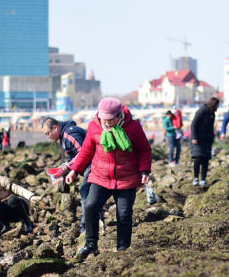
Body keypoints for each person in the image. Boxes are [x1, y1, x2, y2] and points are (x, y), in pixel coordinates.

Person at [65, 98, 152, 259]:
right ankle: (90, 244)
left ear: (119, 115)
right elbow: (85, 151)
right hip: (100, 177)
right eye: (104, 119)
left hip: (126, 179)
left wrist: (145, 171)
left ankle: (123, 248)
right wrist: (73, 171)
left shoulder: (133, 127)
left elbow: (145, 150)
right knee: (90, 206)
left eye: (111, 119)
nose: (107, 123)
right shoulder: (94, 126)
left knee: (124, 214)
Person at [42, 116, 103, 234]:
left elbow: (84, 153)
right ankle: (97, 222)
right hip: (90, 165)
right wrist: (67, 169)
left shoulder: (70, 134)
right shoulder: (63, 137)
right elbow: (72, 156)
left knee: (86, 194)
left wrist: (68, 167)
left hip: (94, 163)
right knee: (93, 195)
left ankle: (86, 226)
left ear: (55, 128)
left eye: (48, 133)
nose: (48, 137)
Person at [191, 97, 220, 187]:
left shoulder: (212, 113)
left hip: (207, 140)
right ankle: (196, 178)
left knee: (206, 160)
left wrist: (212, 138)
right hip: (199, 139)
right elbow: (194, 123)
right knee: (198, 158)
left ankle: (203, 179)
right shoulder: (202, 110)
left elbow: (211, 127)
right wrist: (194, 137)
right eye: (217, 105)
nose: (218, 107)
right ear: (213, 104)